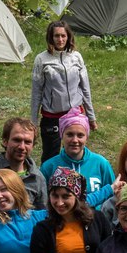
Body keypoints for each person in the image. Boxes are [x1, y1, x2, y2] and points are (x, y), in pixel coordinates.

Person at [30, 20, 97, 160]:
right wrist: (33, 122)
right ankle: (48, 181)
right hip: (51, 116)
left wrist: (91, 117)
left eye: (63, 36)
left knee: (75, 153)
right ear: (51, 37)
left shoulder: (76, 57)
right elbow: (36, 93)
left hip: (74, 114)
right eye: (56, 36)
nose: (60, 39)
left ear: (68, 37)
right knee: (50, 155)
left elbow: (85, 89)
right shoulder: (41, 59)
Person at [40, 110, 115, 196]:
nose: (75, 140)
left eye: (80, 135)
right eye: (70, 134)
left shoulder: (101, 164)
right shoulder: (48, 167)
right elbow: (42, 201)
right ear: (61, 135)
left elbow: (112, 198)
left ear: (86, 137)